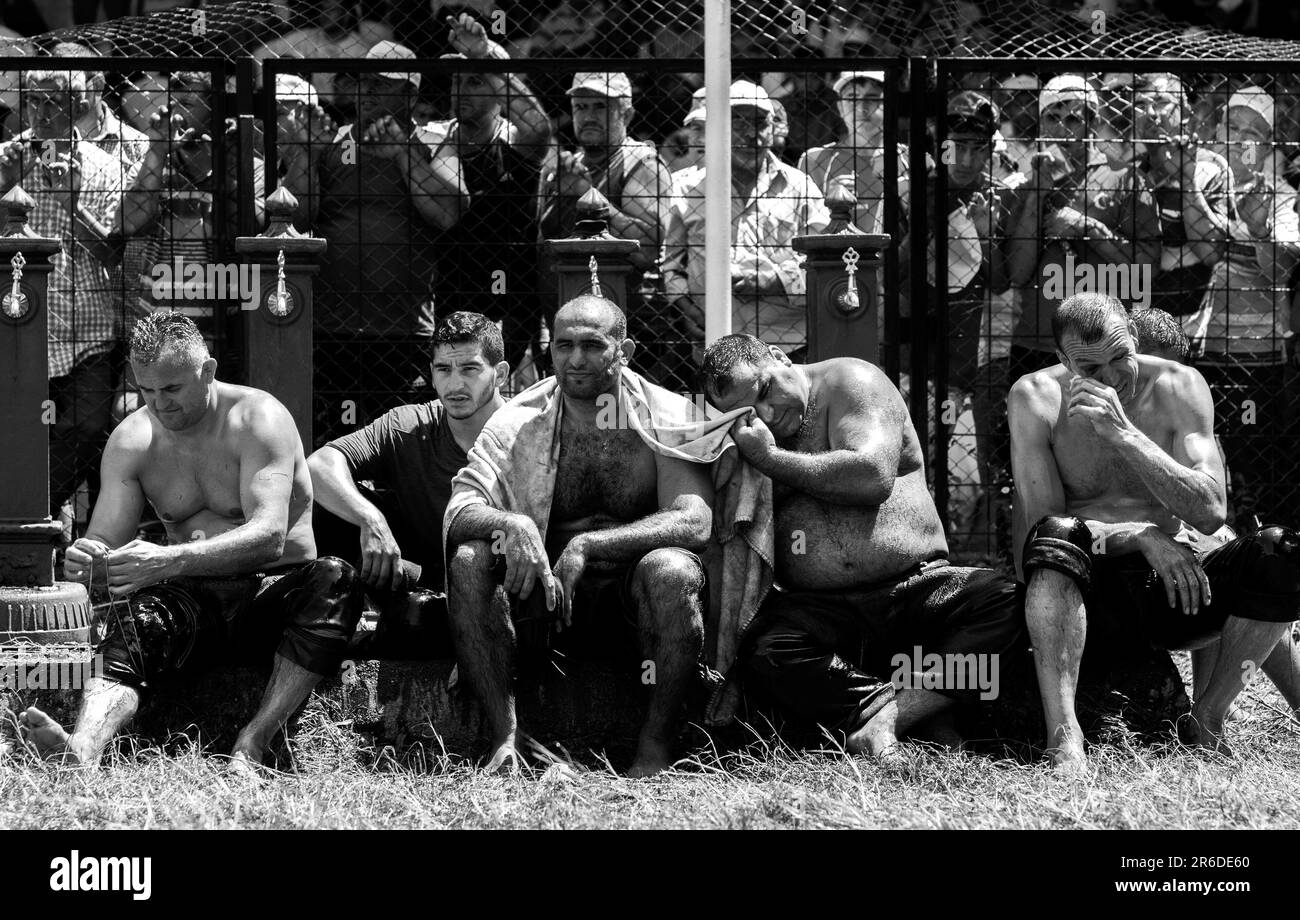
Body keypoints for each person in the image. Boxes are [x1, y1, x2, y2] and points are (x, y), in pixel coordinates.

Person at [11, 312, 364, 774]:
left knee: (336, 578)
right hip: (193, 601)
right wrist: (90, 558)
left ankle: (254, 741)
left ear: (208, 371)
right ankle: (81, 750)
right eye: (147, 390)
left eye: (172, 389)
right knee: (134, 619)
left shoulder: (259, 418)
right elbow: (105, 543)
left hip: (272, 597)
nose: (159, 404)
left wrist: (167, 560)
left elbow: (270, 537)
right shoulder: (132, 439)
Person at [1010, 293, 1300, 771]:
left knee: (1278, 551)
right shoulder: (1035, 397)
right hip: (1083, 590)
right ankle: (1064, 739)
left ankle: (1208, 717)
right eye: (1090, 369)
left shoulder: (1180, 385)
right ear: (1063, 361)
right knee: (1057, 536)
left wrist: (1124, 434)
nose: (1111, 379)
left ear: (1134, 337)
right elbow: (1045, 527)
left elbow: (1210, 512)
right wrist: (1140, 534)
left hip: (1173, 587)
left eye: (1121, 356)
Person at [700, 334, 1024, 758]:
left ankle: (888, 721)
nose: (766, 414)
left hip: (917, 588)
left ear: (780, 357)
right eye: (746, 413)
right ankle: (910, 713)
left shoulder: (850, 380)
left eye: (765, 390)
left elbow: (870, 476)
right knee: (764, 650)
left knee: (1009, 604)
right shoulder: (745, 438)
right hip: (824, 610)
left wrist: (770, 461)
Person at [445, 295, 714, 777]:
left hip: (635, 599)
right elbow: (460, 511)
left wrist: (590, 545)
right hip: (546, 600)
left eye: (592, 345)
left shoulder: (668, 413)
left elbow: (694, 520)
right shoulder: (518, 420)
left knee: (672, 570)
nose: (575, 359)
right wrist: (514, 523)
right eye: (563, 345)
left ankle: (654, 750)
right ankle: (506, 740)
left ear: (625, 349)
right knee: (469, 558)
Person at [307, 312, 508, 655]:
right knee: (324, 507)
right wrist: (371, 520)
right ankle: (350, 622)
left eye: (470, 369)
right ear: (431, 373)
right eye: (444, 369)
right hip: (417, 575)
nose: (455, 384)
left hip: (495, 585)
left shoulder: (528, 434)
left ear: (500, 373)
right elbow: (319, 465)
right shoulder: (409, 425)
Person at [0, 67, 133, 525]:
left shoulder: (102, 166)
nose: (41, 113)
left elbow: (113, 251)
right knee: (18, 428)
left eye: (52, 102)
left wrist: (71, 201)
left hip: (86, 328)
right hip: (17, 323)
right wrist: (2, 183)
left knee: (90, 425)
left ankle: (30, 512)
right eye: (33, 101)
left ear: (79, 104)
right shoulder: (4, 158)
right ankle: (31, 515)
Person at [1180, 86, 1300, 527]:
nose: (1243, 140)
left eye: (1256, 134)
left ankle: (1254, 555)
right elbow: (1201, 249)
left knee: (1252, 473)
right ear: (1217, 130)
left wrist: (1259, 234)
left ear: (1268, 147)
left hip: (1257, 355)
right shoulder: (1194, 179)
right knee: (1198, 460)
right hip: (1200, 351)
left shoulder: (1282, 197)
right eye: (1234, 127)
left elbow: (1279, 271)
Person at [1005, 74, 1161, 381]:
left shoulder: (1126, 179)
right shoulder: (1027, 183)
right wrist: (1038, 191)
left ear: (1093, 122)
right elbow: (1018, 274)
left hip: (1103, 348)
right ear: (1042, 124)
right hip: (1037, 341)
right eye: (1053, 117)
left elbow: (1147, 271)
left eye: (1074, 119)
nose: (1062, 129)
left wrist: (1087, 227)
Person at [663, 80, 829, 359]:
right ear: (719, 130)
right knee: (708, 405)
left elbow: (823, 263)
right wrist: (687, 309)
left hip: (789, 348)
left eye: (760, 123)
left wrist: (773, 280)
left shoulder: (800, 188)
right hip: (713, 344)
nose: (750, 133)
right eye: (737, 123)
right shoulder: (686, 189)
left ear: (772, 130)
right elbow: (670, 265)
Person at [433, 13, 551, 372]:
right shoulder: (435, 139)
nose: (461, 90)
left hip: (511, 300)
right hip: (448, 292)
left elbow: (538, 127)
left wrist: (486, 53)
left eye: (475, 82)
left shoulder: (514, 141)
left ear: (500, 92)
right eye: (458, 82)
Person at [537, 71, 671, 328]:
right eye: (580, 107)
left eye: (600, 107)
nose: (588, 117)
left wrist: (589, 197)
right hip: (566, 318)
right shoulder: (568, 167)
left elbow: (647, 251)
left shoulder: (641, 163)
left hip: (630, 321)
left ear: (627, 114)